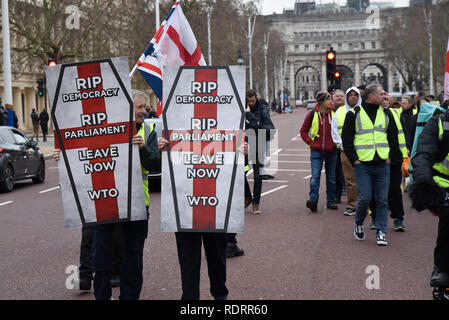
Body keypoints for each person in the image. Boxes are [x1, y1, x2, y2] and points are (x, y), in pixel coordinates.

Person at [54, 90, 160, 299]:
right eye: (138, 107)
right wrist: (63, 159)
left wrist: (143, 148)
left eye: (143, 107)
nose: (143, 111)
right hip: (104, 201)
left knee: (133, 257)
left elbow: (154, 163)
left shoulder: (149, 129)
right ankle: (102, 296)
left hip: (137, 203)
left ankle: (129, 297)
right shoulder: (100, 130)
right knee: (101, 256)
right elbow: (82, 156)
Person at [342, 83, 399, 246]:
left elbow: (393, 137)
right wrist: (354, 159)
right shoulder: (354, 114)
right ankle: (358, 222)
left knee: (382, 200)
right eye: (381, 94)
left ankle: (381, 231)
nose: (385, 96)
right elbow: (347, 139)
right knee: (365, 198)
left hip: (382, 163)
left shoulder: (386, 114)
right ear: (371, 97)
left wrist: (390, 158)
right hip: (363, 164)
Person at [409, 109, 449, 288]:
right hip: (444, 184)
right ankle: (441, 268)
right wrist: (424, 181)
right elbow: (423, 155)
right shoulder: (438, 124)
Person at [300, 91, 338, 212]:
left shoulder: (335, 113)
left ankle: (331, 200)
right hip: (316, 151)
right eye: (328, 99)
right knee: (315, 176)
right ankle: (313, 200)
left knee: (331, 177)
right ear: (321, 102)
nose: (330, 102)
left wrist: (336, 143)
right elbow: (303, 131)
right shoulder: (311, 114)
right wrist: (311, 143)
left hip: (332, 150)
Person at [331, 87, 362, 216]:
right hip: (345, 150)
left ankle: (364, 204)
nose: (353, 97)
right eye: (351, 95)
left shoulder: (364, 111)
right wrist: (343, 146)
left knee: (364, 179)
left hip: (363, 150)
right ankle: (351, 205)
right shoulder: (340, 111)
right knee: (350, 180)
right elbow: (334, 131)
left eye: (356, 95)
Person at [245, 89, 274, 215]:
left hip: (259, 144)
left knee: (258, 176)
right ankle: (247, 196)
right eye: (248, 101)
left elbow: (270, 128)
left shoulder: (262, 110)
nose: (250, 103)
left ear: (256, 98)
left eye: (252, 101)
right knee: (239, 173)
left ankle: (256, 203)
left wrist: (255, 122)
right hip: (245, 145)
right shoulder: (241, 110)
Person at [332, 89, 346, 204]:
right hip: (333, 147)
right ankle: (336, 194)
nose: (339, 98)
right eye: (337, 96)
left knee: (349, 172)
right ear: (333, 98)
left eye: (341, 96)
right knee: (335, 172)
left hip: (346, 146)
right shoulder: (329, 111)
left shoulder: (349, 110)